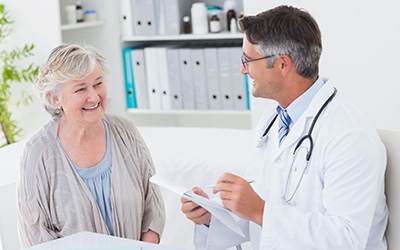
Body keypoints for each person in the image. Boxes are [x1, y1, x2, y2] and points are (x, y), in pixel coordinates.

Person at [181, 5, 388, 250]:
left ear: (282, 64)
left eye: (248, 60)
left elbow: (346, 239)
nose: (242, 69)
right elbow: (258, 214)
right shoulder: (271, 123)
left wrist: (260, 211)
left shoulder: (349, 135)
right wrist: (211, 218)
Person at [17, 44, 165, 247]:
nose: (94, 97)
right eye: (80, 89)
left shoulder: (126, 132)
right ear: (55, 98)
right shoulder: (37, 153)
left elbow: (153, 206)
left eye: (98, 84)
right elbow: (35, 237)